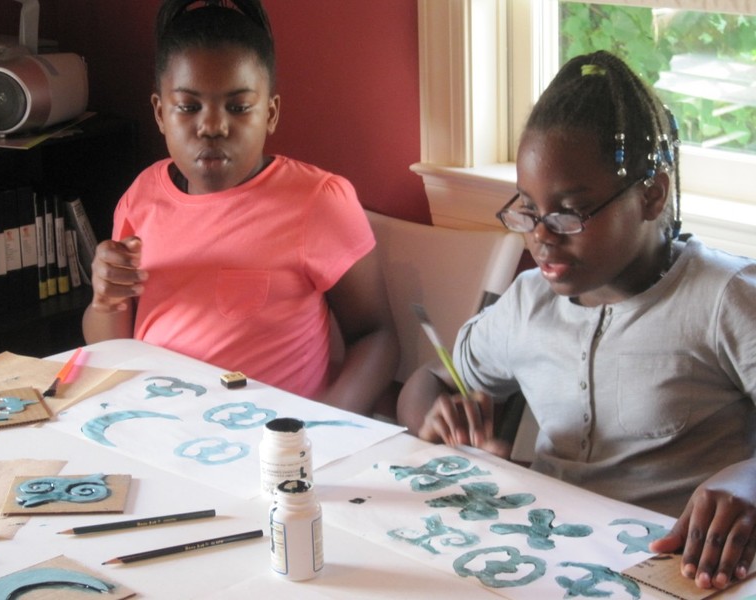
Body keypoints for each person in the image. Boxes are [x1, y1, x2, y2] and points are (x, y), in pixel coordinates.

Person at [397, 50, 756, 590]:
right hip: (541, 561)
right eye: (528, 210)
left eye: (568, 211)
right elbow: (428, 381)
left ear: (651, 194)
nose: (542, 234)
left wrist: (749, 482)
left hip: (679, 571)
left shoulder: (723, 299)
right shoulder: (527, 304)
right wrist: (436, 421)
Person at [83, 0, 398, 415]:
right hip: (155, 426)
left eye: (238, 106)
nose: (212, 126)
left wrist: (325, 425)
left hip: (265, 444)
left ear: (270, 113)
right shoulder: (142, 196)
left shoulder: (318, 201)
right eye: (189, 106)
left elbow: (376, 336)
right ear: (161, 113)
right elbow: (111, 345)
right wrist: (105, 301)